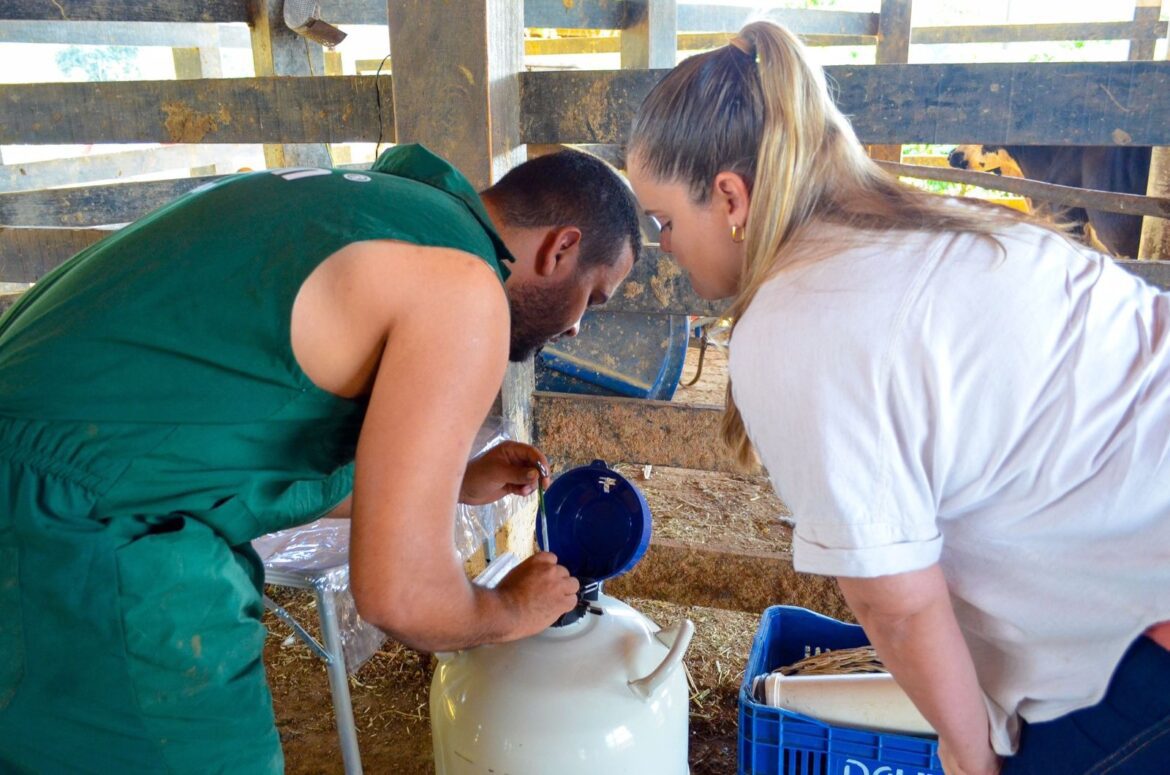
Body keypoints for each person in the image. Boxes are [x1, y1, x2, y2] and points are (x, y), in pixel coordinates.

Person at [627, 21, 1170, 775]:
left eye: (664, 221)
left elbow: (898, 602)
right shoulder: (939, 230)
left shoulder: (797, 320)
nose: (666, 247)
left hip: (1138, 640)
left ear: (728, 197)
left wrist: (967, 748)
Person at [0, 144, 641, 772]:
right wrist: (512, 611)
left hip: (58, 482)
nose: (579, 326)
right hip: (81, 532)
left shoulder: (380, 207)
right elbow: (403, 598)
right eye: (596, 296)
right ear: (561, 248)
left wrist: (447, 483)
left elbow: (219, 431)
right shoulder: (465, 283)